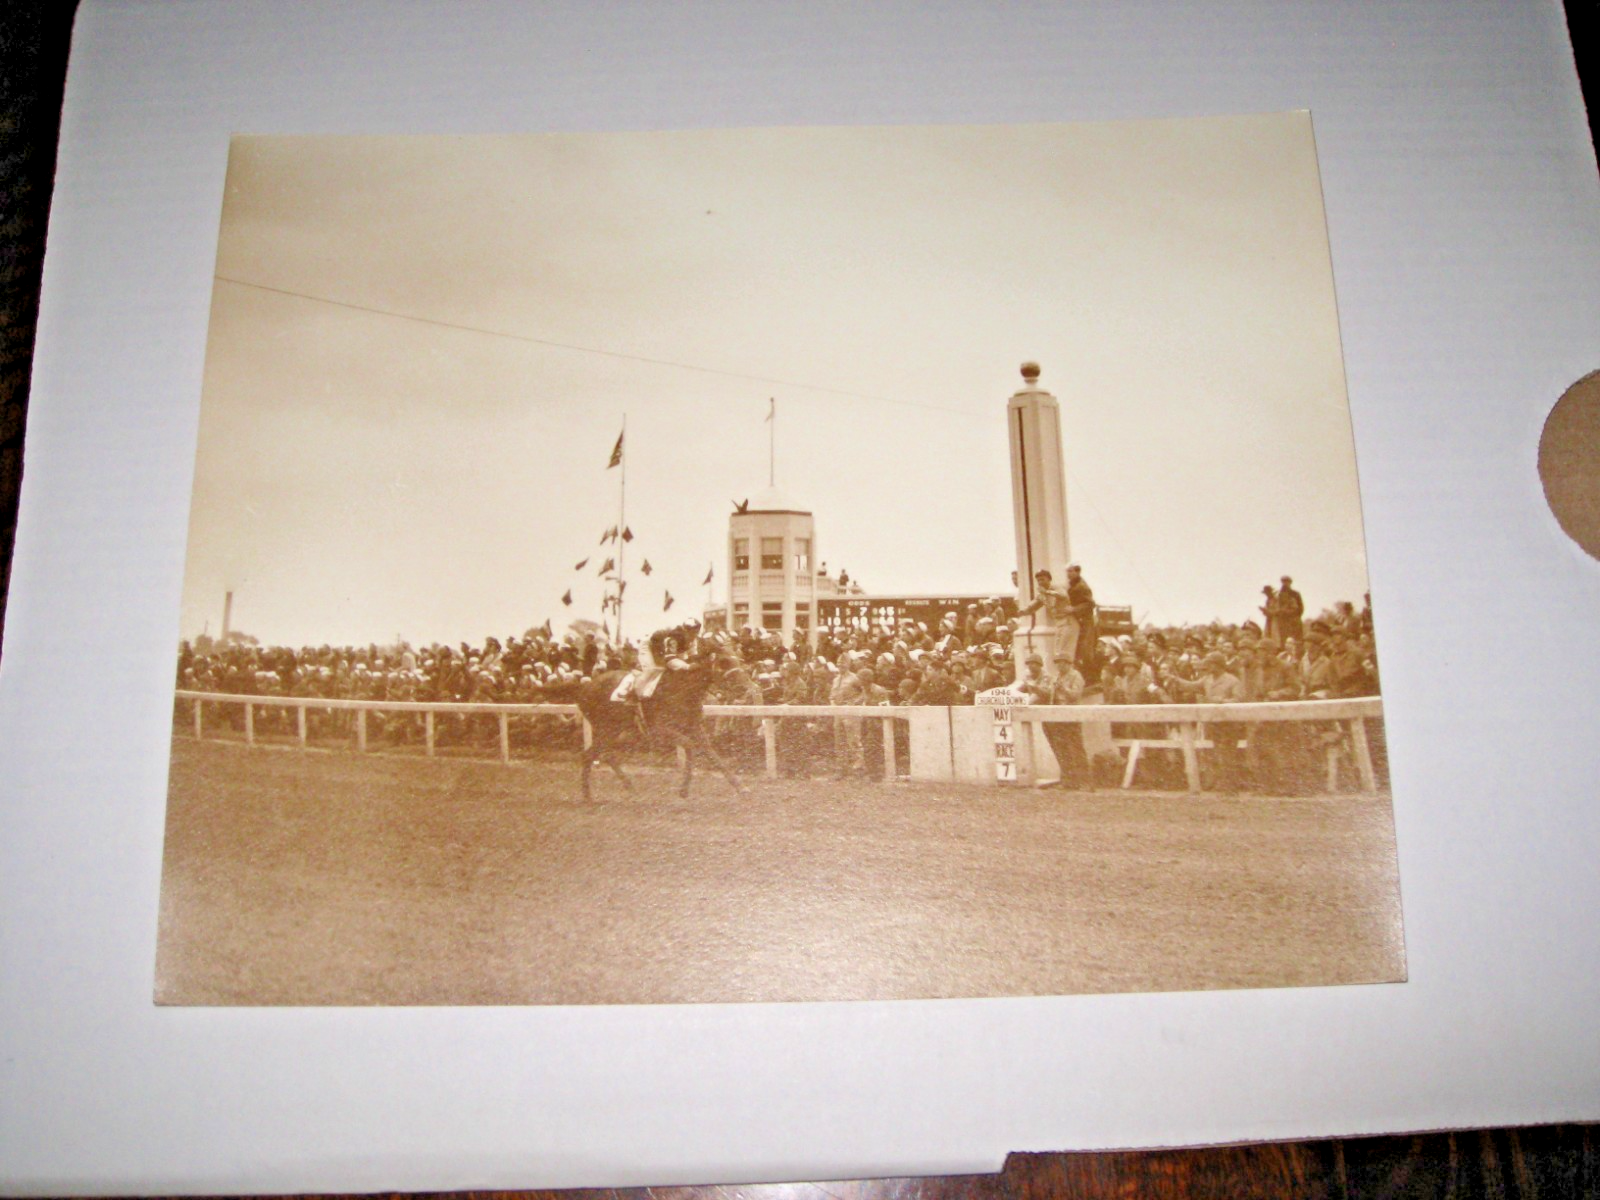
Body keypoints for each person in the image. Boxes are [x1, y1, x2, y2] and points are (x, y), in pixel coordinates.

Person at [1017, 568, 1077, 669]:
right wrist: (1023, 611)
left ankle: (1071, 676)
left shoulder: (1056, 588)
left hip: (1068, 622)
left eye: (1043, 579)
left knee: (1065, 653)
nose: (1040, 582)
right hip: (1059, 623)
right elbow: (1033, 606)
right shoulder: (1042, 595)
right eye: (1039, 580)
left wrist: (1048, 592)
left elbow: (1063, 595)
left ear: (1049, 579)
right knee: (1059, 652)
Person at [1277, 575, 1305, 643]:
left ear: (1290, 583)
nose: (1285, 584)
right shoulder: (1280, 595)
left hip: (1294, 621)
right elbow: (1279, 608)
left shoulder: (1295, 594)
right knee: (1284, 641)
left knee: (1297, 640)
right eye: (1283, 582)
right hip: (1284, 622)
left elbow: (1301, 608)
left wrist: (1293, 614)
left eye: (1286, 582)